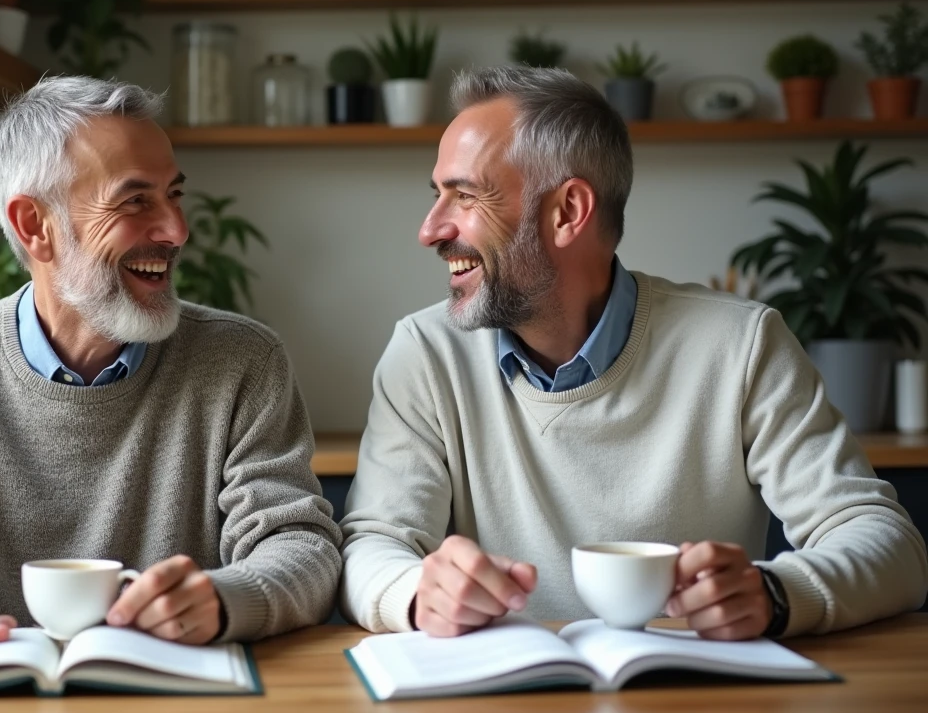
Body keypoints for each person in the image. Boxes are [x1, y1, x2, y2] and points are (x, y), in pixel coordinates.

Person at [339, 66, 927, 641]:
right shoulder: (424, 353)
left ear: (567, 212)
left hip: (696, 693)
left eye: (465, 196)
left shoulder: (741, 345)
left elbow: (887, 541)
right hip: (502, 694)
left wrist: (776, 594)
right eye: (438, 195)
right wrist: (417, 591)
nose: (431, 230)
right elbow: (372, 544)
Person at [0, 76, 342, 661]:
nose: (177, 230)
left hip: (175, 698)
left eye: (173, 195)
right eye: (135, 201)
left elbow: (301, 546)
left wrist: (227, 599)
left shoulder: (243, 360)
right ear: (34, 225)